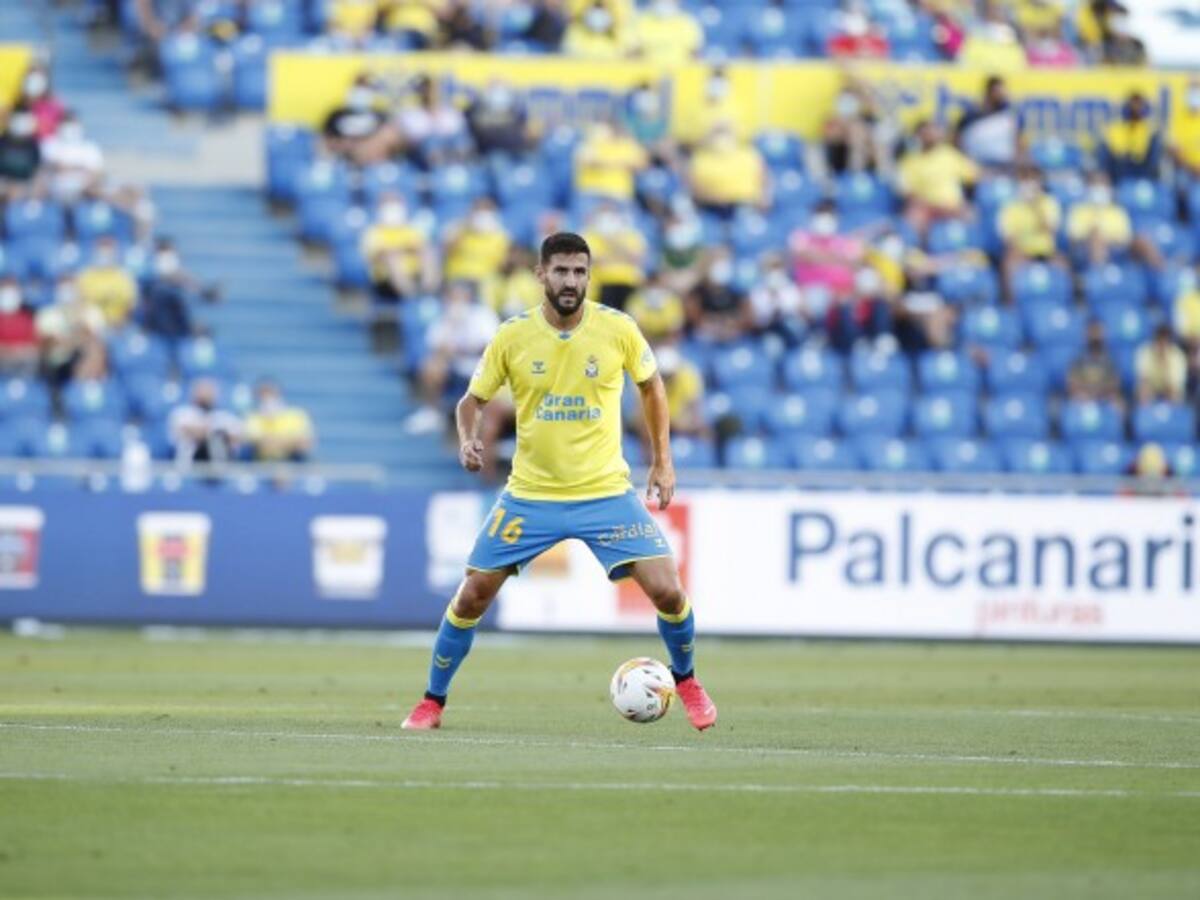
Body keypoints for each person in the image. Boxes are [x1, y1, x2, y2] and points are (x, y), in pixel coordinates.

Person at [400, 232, 717, 731]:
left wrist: (663, 461)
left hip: (604, 492)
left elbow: (652, 387)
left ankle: (689, 682)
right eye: (562, 271)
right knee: (472, 594)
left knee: (669, 593)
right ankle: (431, 702)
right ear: (541, 275)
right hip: (531, 495)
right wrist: (467, 439)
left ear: (589, 276)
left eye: (579, 272)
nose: (571, 281)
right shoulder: (512, 336)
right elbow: (470, 401)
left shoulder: (618, 328)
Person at [405, 280, 500, 434]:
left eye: (458, 296)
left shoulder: (483, 314)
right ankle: (432, 412)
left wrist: (462, 348)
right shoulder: (445, 316)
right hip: (455, 366)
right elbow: (435, 346)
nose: (455, 300)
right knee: (431, 365)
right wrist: (452, 326)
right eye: (451, 297)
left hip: (481, 366)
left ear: (468, 297)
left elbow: (491, 346)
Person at [897, 120, 978, 241]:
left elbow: (974, 175)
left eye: (932, 131)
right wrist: (929, 204)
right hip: (926, 207)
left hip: (952, 205)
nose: (930, 135)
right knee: (913, 218)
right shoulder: (909, 161)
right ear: (917, 136)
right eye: (925, 132)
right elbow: (906, 192)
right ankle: (918, 250)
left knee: (971, 215)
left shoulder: (949, 154)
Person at [168, 378, 243, 466]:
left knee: (217, 442)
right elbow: (188, 430)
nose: (206, 394)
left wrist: (217, 434)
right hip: (189, 466)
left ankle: (219, 467)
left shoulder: (223, 416)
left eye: (209, 390)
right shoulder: (183, 413)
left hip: (221, 466)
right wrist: (216, 433)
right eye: (203, 390)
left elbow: (237, 437)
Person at [955, 76, 1019, 171]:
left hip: (1003, 166)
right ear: (989, 92)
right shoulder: (972, 115)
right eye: (998, 91)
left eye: (1003, 91)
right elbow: (957, 137)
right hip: (977, 165)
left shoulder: (1008, 115)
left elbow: (1016, 140)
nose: (1001, 94)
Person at [244, 381, 316, 462]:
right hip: (259, 462)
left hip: (292, 462)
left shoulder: (297, 415)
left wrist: (273, 442)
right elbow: (255, 442)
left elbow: (305, 443)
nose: (267, 397)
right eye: (262, 394)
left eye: (271, 392)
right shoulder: (252, 417)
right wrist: (288, 442)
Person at [1100, 91, 1162, 183]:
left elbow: (1143, 155)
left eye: (1139, 106)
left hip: (1142, 168)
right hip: (1121, 168)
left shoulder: (1149, 129)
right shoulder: (1117, 128)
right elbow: (1116, 151)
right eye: (1133, 106)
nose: (1136, 109)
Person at [1067, 320, 1123, 407]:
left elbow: (1115, 385)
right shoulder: (1078, 359)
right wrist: (1087, 394)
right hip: (1083, 399)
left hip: (1104, 398)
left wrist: (1099, 393)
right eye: (1092, 333)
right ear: (1086, 335)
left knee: (1117, 403)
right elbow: (1072, 385)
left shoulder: (1110, 360)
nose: (1095, 337)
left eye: (1098, 333)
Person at [1135, 325, 1187, 406]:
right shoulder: (1145, 352)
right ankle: (1146, 413)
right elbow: (1143, 379)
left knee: (1176, 395)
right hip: (1151, 388)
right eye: (1159, 341)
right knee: (1143, 391)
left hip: (1169, 388)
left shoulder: (1178, 356)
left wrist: (1165, 364)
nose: (1162, 345)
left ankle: (1172, 413)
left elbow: (1175, 385)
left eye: (1165, 342)